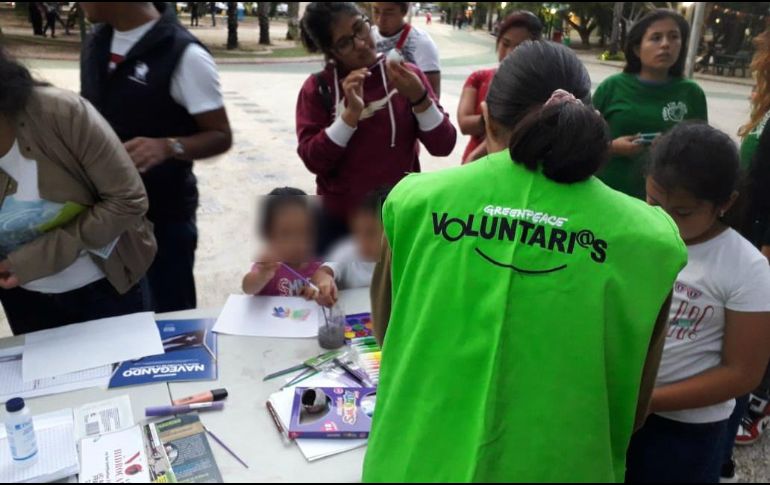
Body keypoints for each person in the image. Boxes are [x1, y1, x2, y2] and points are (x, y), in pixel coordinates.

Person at [363, 41, 688, 483]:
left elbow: (390, 334)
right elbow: (633, 403)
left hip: (416, 459)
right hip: (564, 464)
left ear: (488, 118)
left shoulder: (415, 201)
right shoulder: (650, 238)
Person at [625, 123, 770, 484]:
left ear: (726, 203)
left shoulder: (746, 267)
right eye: (653, 202)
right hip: (622, 413)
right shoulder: (636, 235)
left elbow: (742, 373)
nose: (664, 219)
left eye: (683, 212)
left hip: (685, 434)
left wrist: (649, 401)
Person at [80, 2, 233, 313]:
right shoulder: (96, 40)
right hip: (106, 216)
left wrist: (169, 146)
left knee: (170, 322)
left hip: (164, 219)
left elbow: (220, 135)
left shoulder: (185, 54)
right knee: (118, 320)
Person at [0, 48, 156, 335]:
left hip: (105, 286)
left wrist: (33, 260)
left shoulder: (60, 113)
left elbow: (128, 200)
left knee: (125, 376)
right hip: (24, 299)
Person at [296, 2, 456, 256]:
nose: (361, 43)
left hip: (399, 219)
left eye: (360, 28)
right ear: (330, 52)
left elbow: (444, 145)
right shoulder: (318, 89)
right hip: (341, 228)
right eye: (344, 43)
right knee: (340, 295)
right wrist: (349, 116)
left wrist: (420, 98)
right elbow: (314, 160)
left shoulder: (405, 75)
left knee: (394, 295)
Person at [594, 9, 708, 199]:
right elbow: (581, 142)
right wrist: (612, 147)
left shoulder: (692, 93)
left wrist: (670, 148)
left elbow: (703, 151)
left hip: (664, 202)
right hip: (608, 195)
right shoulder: (611, 87)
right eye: (656, 38)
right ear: (637, 49)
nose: (665, 45)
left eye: (674, 37)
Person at [458, 11, 542, 164]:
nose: (509, 53)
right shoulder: (479, 78)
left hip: (511, 167)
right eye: (506, 43)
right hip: (471, 165)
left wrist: (478, 154)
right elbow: (464, 124)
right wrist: (507, 119)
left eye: (520, 47)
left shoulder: (537, 89)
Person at [311, 188, 389, 307]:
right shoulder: (347, 252)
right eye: (358, 231)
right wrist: (324, 281)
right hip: (352, 317)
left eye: (370, 233)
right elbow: (322, 273)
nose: (362, 241)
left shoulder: (404, 256)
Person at [242, 188, 322, 297]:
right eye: (286, 233)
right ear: (269, 235)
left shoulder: (319, 261)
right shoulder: (269, 265)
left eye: (304, 231)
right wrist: (262, 275)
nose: (296, 241)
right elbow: (248, 288)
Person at [372, 2, 441, 97]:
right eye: (376, 11)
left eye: (389, 13)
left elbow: (433, 97)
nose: (380, 19)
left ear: (404, 11)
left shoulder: (422, 43)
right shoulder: (366, 36)